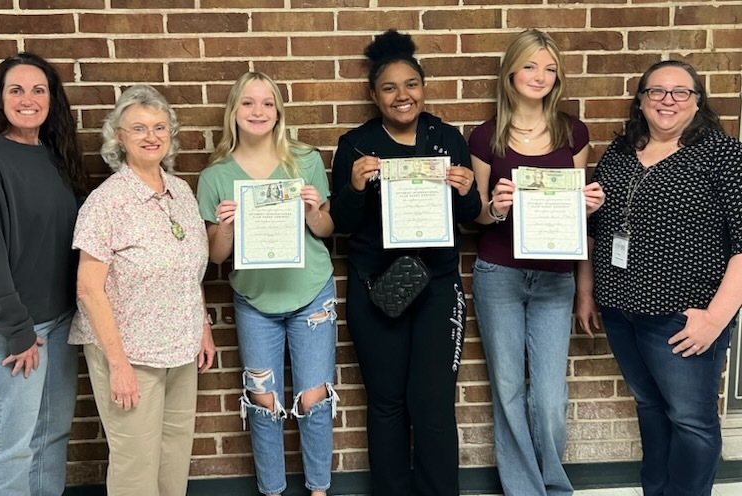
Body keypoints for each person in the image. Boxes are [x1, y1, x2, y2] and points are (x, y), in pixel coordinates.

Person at [576, 60, 742, 496]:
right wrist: (587, 290)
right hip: (619, 309)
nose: (668, 100)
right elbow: (596, 227)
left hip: (683, 315)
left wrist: (715, 319)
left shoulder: (723, 154)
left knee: (691, 421)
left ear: (697, 100)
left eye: (680, 92)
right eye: (657, 91)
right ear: (642, 99)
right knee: (650, 406)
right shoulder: (620, 151)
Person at [330, 29, 480, 496]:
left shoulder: (447, 137)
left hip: (436, 284)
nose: (402, 95)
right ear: (374, 95)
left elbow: (469, 216)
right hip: (376, 284)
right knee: (387, 402)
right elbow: (340, 224)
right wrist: (354, 188)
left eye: (410, 84)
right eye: (390, 87)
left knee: (433, 403)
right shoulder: (355, 143)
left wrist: (466, 191)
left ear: (423, 88)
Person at [467, 29, 604, 496]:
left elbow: (581, 224)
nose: (540, 76)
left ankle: (554, 485)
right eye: (530, 65)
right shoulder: (486, 136)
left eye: (549, 68)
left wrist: (585, 288)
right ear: (511, 72)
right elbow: (478, 216)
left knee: (549, 396)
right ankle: (524, 490)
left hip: (555, 278)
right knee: (507, 391)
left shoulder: (573, 132)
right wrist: (498, 208)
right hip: (498, 274)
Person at [69, 84, 216, 495]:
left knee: (173, 459)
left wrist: (202, 327)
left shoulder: (181, 192)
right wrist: (118, 364)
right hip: (129, 354)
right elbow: (88, 289)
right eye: (138, 128)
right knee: (136, 466)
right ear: (118, 136)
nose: (151, 136)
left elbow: (190, 270)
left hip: (180, 349)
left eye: (159, 126)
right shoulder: (106, 202)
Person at [196, 72, 338, 496]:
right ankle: (272, 490)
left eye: (267, 104)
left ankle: (318, 489)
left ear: (278, 112)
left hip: (311, 293)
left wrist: (314, 211)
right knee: (263, 402)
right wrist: (225, 227)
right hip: (254, 300)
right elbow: (216, 257)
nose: (258, 112)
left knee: (314, 399)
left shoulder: (305, 160)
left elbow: (327, 229)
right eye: (248, 103)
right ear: (234, 112)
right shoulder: (216, 175)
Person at [0, 52, 87, 496]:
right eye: (16, 89)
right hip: (10, 333)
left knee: (50, 439)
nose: (28, 99)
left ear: (52, 100)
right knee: (11, 448)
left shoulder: (55, 158)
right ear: (0, 99)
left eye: (38, 90)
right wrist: (17, 331)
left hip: (57, 324)